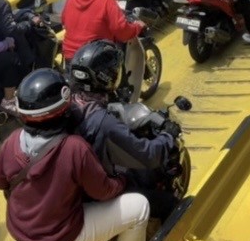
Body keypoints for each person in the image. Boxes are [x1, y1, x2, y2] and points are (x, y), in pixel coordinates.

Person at [0, 69, 149, 241]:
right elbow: (103, 192)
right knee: (140, 208)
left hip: (21, 230)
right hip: (61, 239)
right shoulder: (74, 148)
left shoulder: (11, 141)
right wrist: (122, 179)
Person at [67, 41, 179, 217]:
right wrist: (167, 137)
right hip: (95, 196)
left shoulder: (69, 101)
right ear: (106, 77)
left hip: (75, 187)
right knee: (170, 204)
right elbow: (148, 156)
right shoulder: (103, 122)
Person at [61, 0, 146, 61]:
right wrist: (137, 27)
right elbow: (122, 31)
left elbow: (64, 22)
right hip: (95, 58)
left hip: (70, 56)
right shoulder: (107, 2)